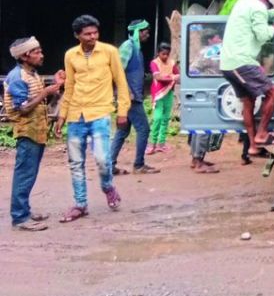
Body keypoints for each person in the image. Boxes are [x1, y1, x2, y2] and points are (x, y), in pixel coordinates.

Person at [55, 15, 131, 223]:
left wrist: (122, 110)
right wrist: (62, 115)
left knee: (102, 159)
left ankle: (107, 186)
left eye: (95, 33)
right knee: (75, 163)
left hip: (100, 113)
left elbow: (121, 83)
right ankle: (80, 204)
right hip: (75, 116)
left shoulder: (109, 52)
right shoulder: (71, 55)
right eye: (87, 34)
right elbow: (69, 87)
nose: (92, 37)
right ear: (77, 35)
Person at [220, 0, 274, 158]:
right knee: (273, 93)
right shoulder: (259, 8)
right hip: (242, 62)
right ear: (266, 1)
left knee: (248, 102)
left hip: (229, 64)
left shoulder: (243, 3)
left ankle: (253, 146)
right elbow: (263, 35)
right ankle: (261, 134)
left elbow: (266, 14)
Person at [4, 37, 64, 231]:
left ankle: (25, 211)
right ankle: (20, 218)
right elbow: (23, 108)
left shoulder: (31, 74)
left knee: (29, 174)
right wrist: (45, 93)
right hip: (27, 132)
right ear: (24, 56)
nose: (41, 55)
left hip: (36, 131)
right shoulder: (17, 77)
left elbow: (38, 100)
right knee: (24, 175)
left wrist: (54, 88)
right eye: (36, 52)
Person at [109, 19, 159, 175]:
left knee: (122, 132)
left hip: (132, 96)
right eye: (145, 31)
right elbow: (117, 71)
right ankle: (138, 165)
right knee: (144, 129)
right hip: (130, 98)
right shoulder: (128, 47)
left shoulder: (136, 49)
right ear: (138, 32)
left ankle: (109, 165)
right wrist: (128, 91)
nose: (148, 34)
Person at [148, 42, 179, 154]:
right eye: (163, 54)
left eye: (167, 54)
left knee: (165, 118)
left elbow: (178, 75)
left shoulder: (172, 63)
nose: (165, 56)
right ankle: (152, 143)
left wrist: (171, 77)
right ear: (158, 53)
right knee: (157, 118)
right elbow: (158, 77)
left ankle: (161, 143)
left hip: (169, 93)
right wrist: (172, 77)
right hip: (158, 93)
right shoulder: (154, 63)